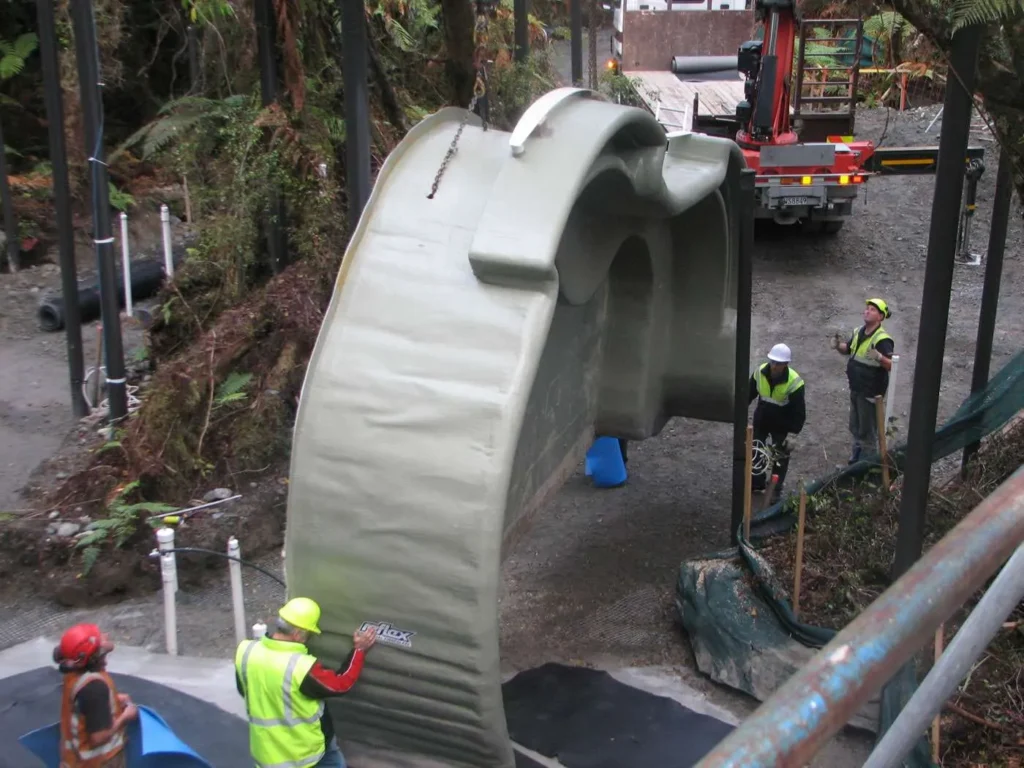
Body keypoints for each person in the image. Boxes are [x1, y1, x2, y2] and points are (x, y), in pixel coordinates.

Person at [235, 597, 378, 768]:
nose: (308, 638)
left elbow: (244, 689)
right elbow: (341, 683)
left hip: (265, 754)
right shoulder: (300, 667)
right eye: (308, 634)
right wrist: (359, 650)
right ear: (297, 634)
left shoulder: (246, 651)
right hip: (305, 755)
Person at [53, 623, 139, 768]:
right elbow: (99, 737)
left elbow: (83, 705)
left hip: (74, 761)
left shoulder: (73, 674)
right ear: (93, 656)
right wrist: (126, 717)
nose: (105, 636)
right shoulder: (94, 688)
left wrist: (113, 700)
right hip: (99, 762)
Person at [831, 297, 894, 464]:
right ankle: (856, 459)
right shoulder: (859, 331)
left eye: (872, 309)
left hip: (870, 392)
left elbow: (891, 365)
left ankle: (867, 465)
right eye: (867, 308)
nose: (867, 311)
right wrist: (838, 345)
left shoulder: (882, 339)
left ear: (881, 316)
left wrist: (879, 357)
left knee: (867, 431)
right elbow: (848, 349)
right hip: (857, 388)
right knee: (855, 426)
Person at [748, 343, 806, 502]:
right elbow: (748, 394)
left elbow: (799, 412)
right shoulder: (759, 372)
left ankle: (775, 488)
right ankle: (757, 483)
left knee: (780, 457)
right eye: (773, 361)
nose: (774, 366)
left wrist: (793, 434)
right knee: (756, 451)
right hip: (762, 419)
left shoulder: (794, 382)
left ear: (786, 364)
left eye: (778, 363)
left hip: (782, 424)